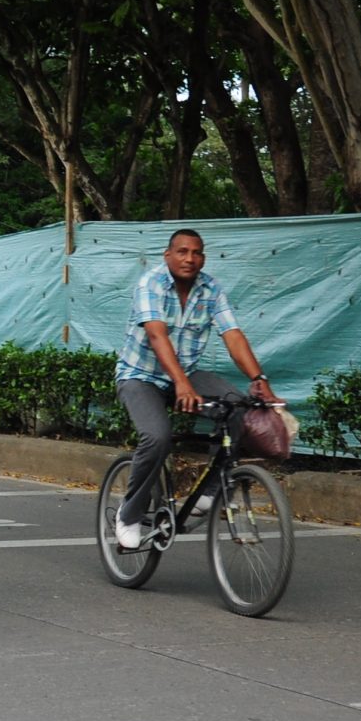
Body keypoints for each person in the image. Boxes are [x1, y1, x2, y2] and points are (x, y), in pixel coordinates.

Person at [112, 228, 278, 550]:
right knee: (157, 437)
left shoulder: (211, 289)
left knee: (240, 407)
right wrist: (181, 384)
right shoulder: (151, 284)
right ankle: (129, 515)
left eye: (197, 253)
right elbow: (157, 336)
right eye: (182, 252)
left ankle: (210, 492)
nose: (190, 258)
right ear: (168, 255)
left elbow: (233, 335)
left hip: (185, 375)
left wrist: (259, 378)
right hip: (140, 376)